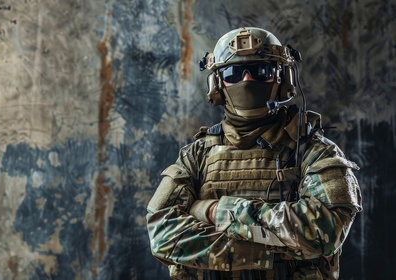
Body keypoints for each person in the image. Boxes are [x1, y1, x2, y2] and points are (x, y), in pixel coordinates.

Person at [146, 27, 362, 280]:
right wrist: (269, 252)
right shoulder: (197, 154)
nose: (247, 80)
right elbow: (161, 235)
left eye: (262, 71)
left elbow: (324, 231)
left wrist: (215, 211)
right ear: (217, 83)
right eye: (233, 72)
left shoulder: (313, 150)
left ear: (283, 79)